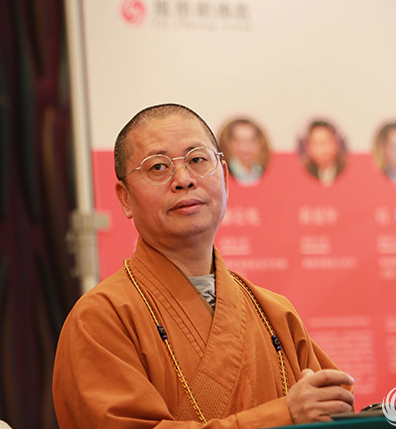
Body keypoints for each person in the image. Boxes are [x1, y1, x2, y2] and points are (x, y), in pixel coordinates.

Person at [52, 104, 354, 428]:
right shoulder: (100, 318)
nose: (183, 180)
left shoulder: (275, 313)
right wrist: (283, 416)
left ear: (224, 177)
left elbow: (335, 409)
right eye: (158, 167)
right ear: (125, 197)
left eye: (197, 160)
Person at [218, 118, 269, 186]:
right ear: (229, 144)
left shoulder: (259, 170)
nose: (245, 148)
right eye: (239, 142)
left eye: (251, 141)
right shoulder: (226, 171)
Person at [300, 120, 346, 186]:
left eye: (327, 141)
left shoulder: (344, 165)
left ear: (337, 143)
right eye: (317, 143)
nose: (323, 148)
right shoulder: (305, 167)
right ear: (308, 147)